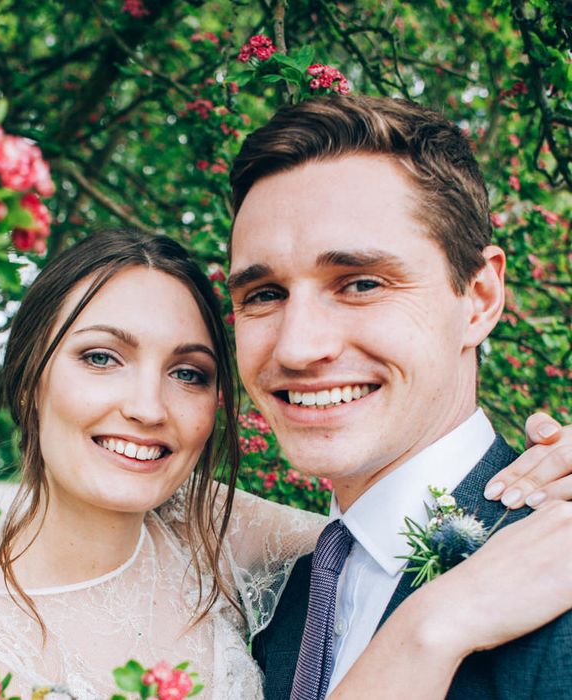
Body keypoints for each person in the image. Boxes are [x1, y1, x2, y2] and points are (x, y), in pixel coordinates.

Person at [0, 229, 572, 699]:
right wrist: (431, 629)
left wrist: (551, 474)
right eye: (101, 358)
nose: (149, 407)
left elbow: (387, 528)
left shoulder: (208, 529)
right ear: (27, 377)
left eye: (190, 373)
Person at [227, 95, 572, 699]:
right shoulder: (273, 602)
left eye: (360, 283)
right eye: (263, 294)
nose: (297, 347)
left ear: (480, 298)